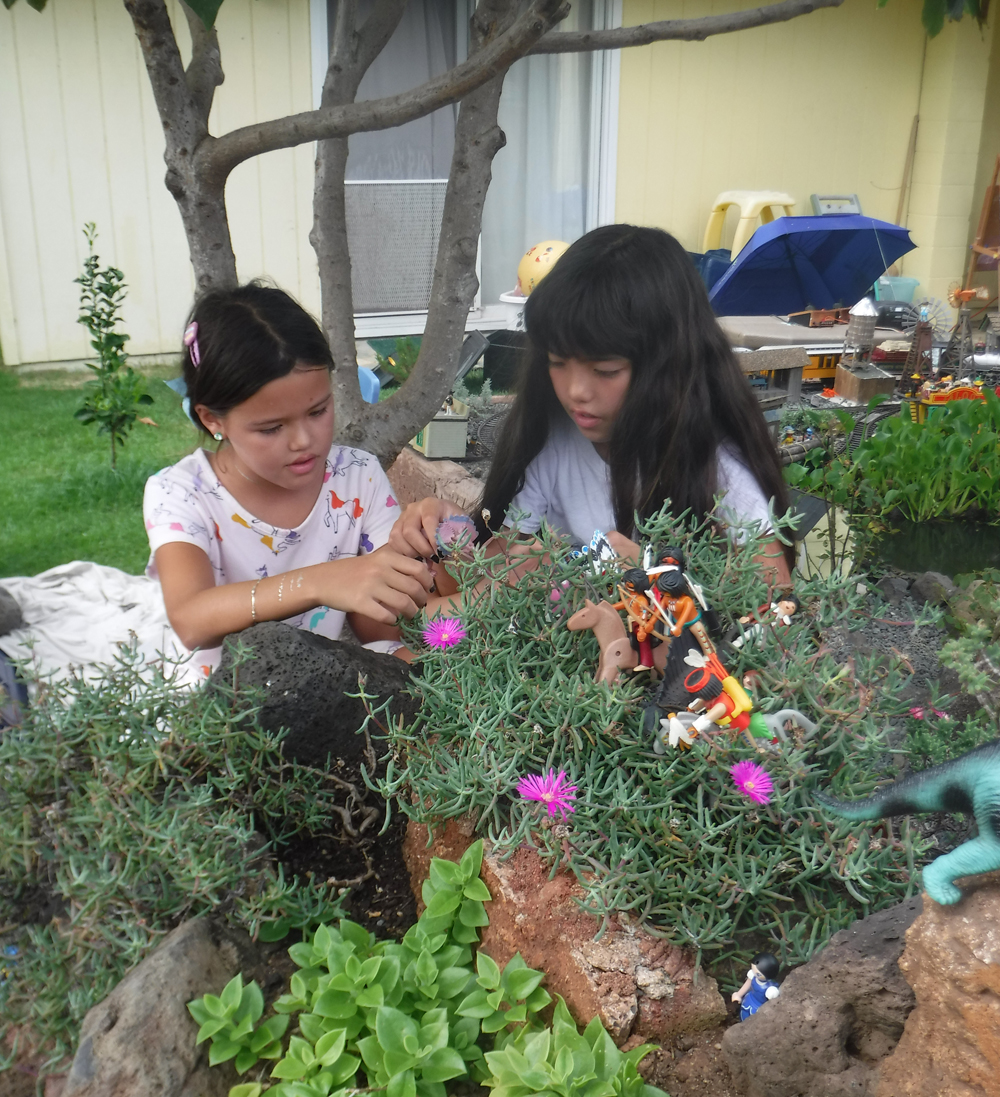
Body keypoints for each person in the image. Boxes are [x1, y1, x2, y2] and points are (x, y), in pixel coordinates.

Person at [391, 225, 793, 593]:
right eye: (557, 362)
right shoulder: (554, 442)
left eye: (605, 370)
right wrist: (448, 535)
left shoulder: (722, 475)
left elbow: (775, 620)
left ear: (668, 365)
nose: (576, 392)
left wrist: (665, 588)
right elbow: (496, 581)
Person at [144, 284, 433, 665]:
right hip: (213, 707)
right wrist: (318, 582)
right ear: (212, 419)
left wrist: (439, 544)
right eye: (270, 428)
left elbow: (383, 629)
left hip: (314, 690)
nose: (304, 441)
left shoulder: (356, 478)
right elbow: (191, 620)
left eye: (318, 411)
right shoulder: (182, 493)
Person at [732, 953, 781, 1020]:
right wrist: (738, 994)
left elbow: (773, 1004)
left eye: (758, 974)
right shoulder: (753, 977)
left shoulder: (770, 989)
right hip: (748, 1000)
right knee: (743, 1015)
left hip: (759, 1007)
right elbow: (747, 984)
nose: (755, 973)